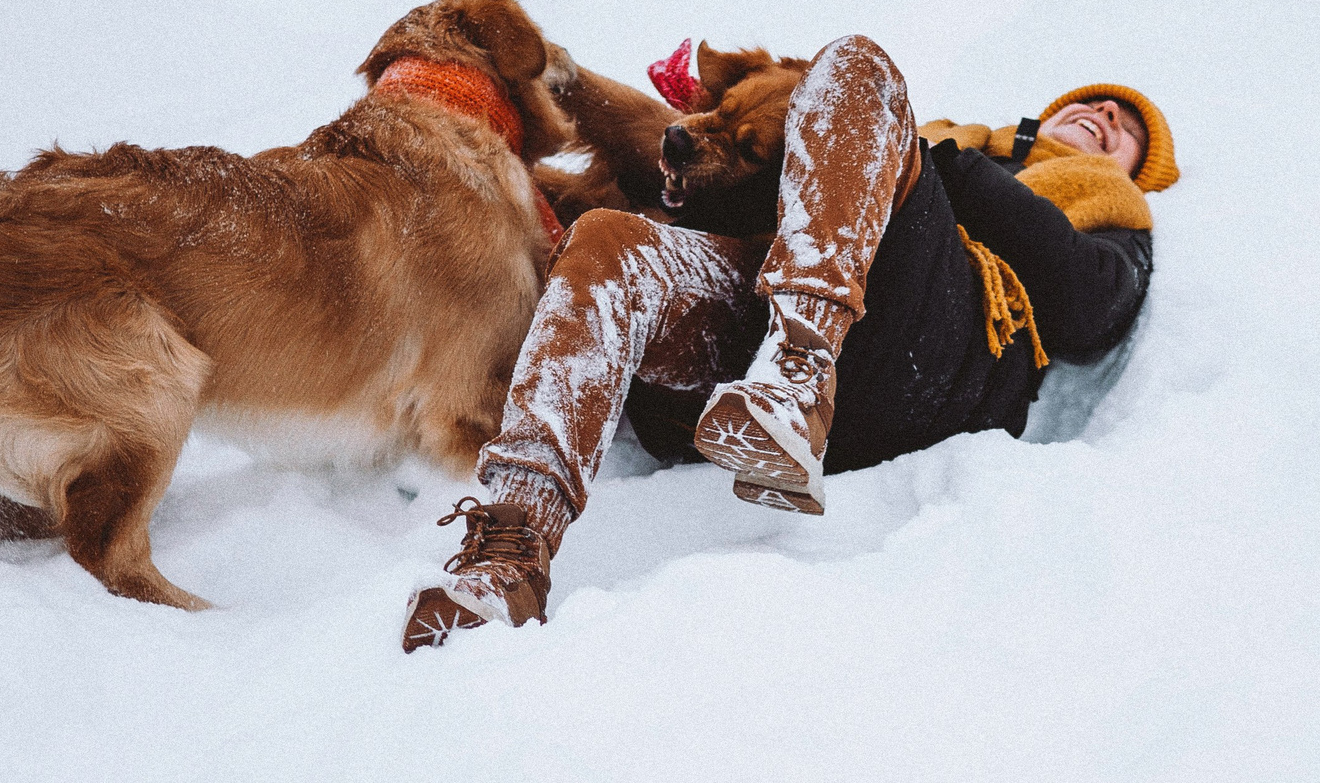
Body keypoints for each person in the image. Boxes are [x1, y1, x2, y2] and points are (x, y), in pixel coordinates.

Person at [403, 35, 1180, 650]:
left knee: (856, 64)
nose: (1107, 116)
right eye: (1095, 104)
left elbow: (1089, 309)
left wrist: (945, 163)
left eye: (1126, 130)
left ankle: (796, 377)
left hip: (925, 361)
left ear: (1138, 172)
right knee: (609, 242)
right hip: (763, 346)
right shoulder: (923, 146)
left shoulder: (1105, 205)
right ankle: (508, 553)